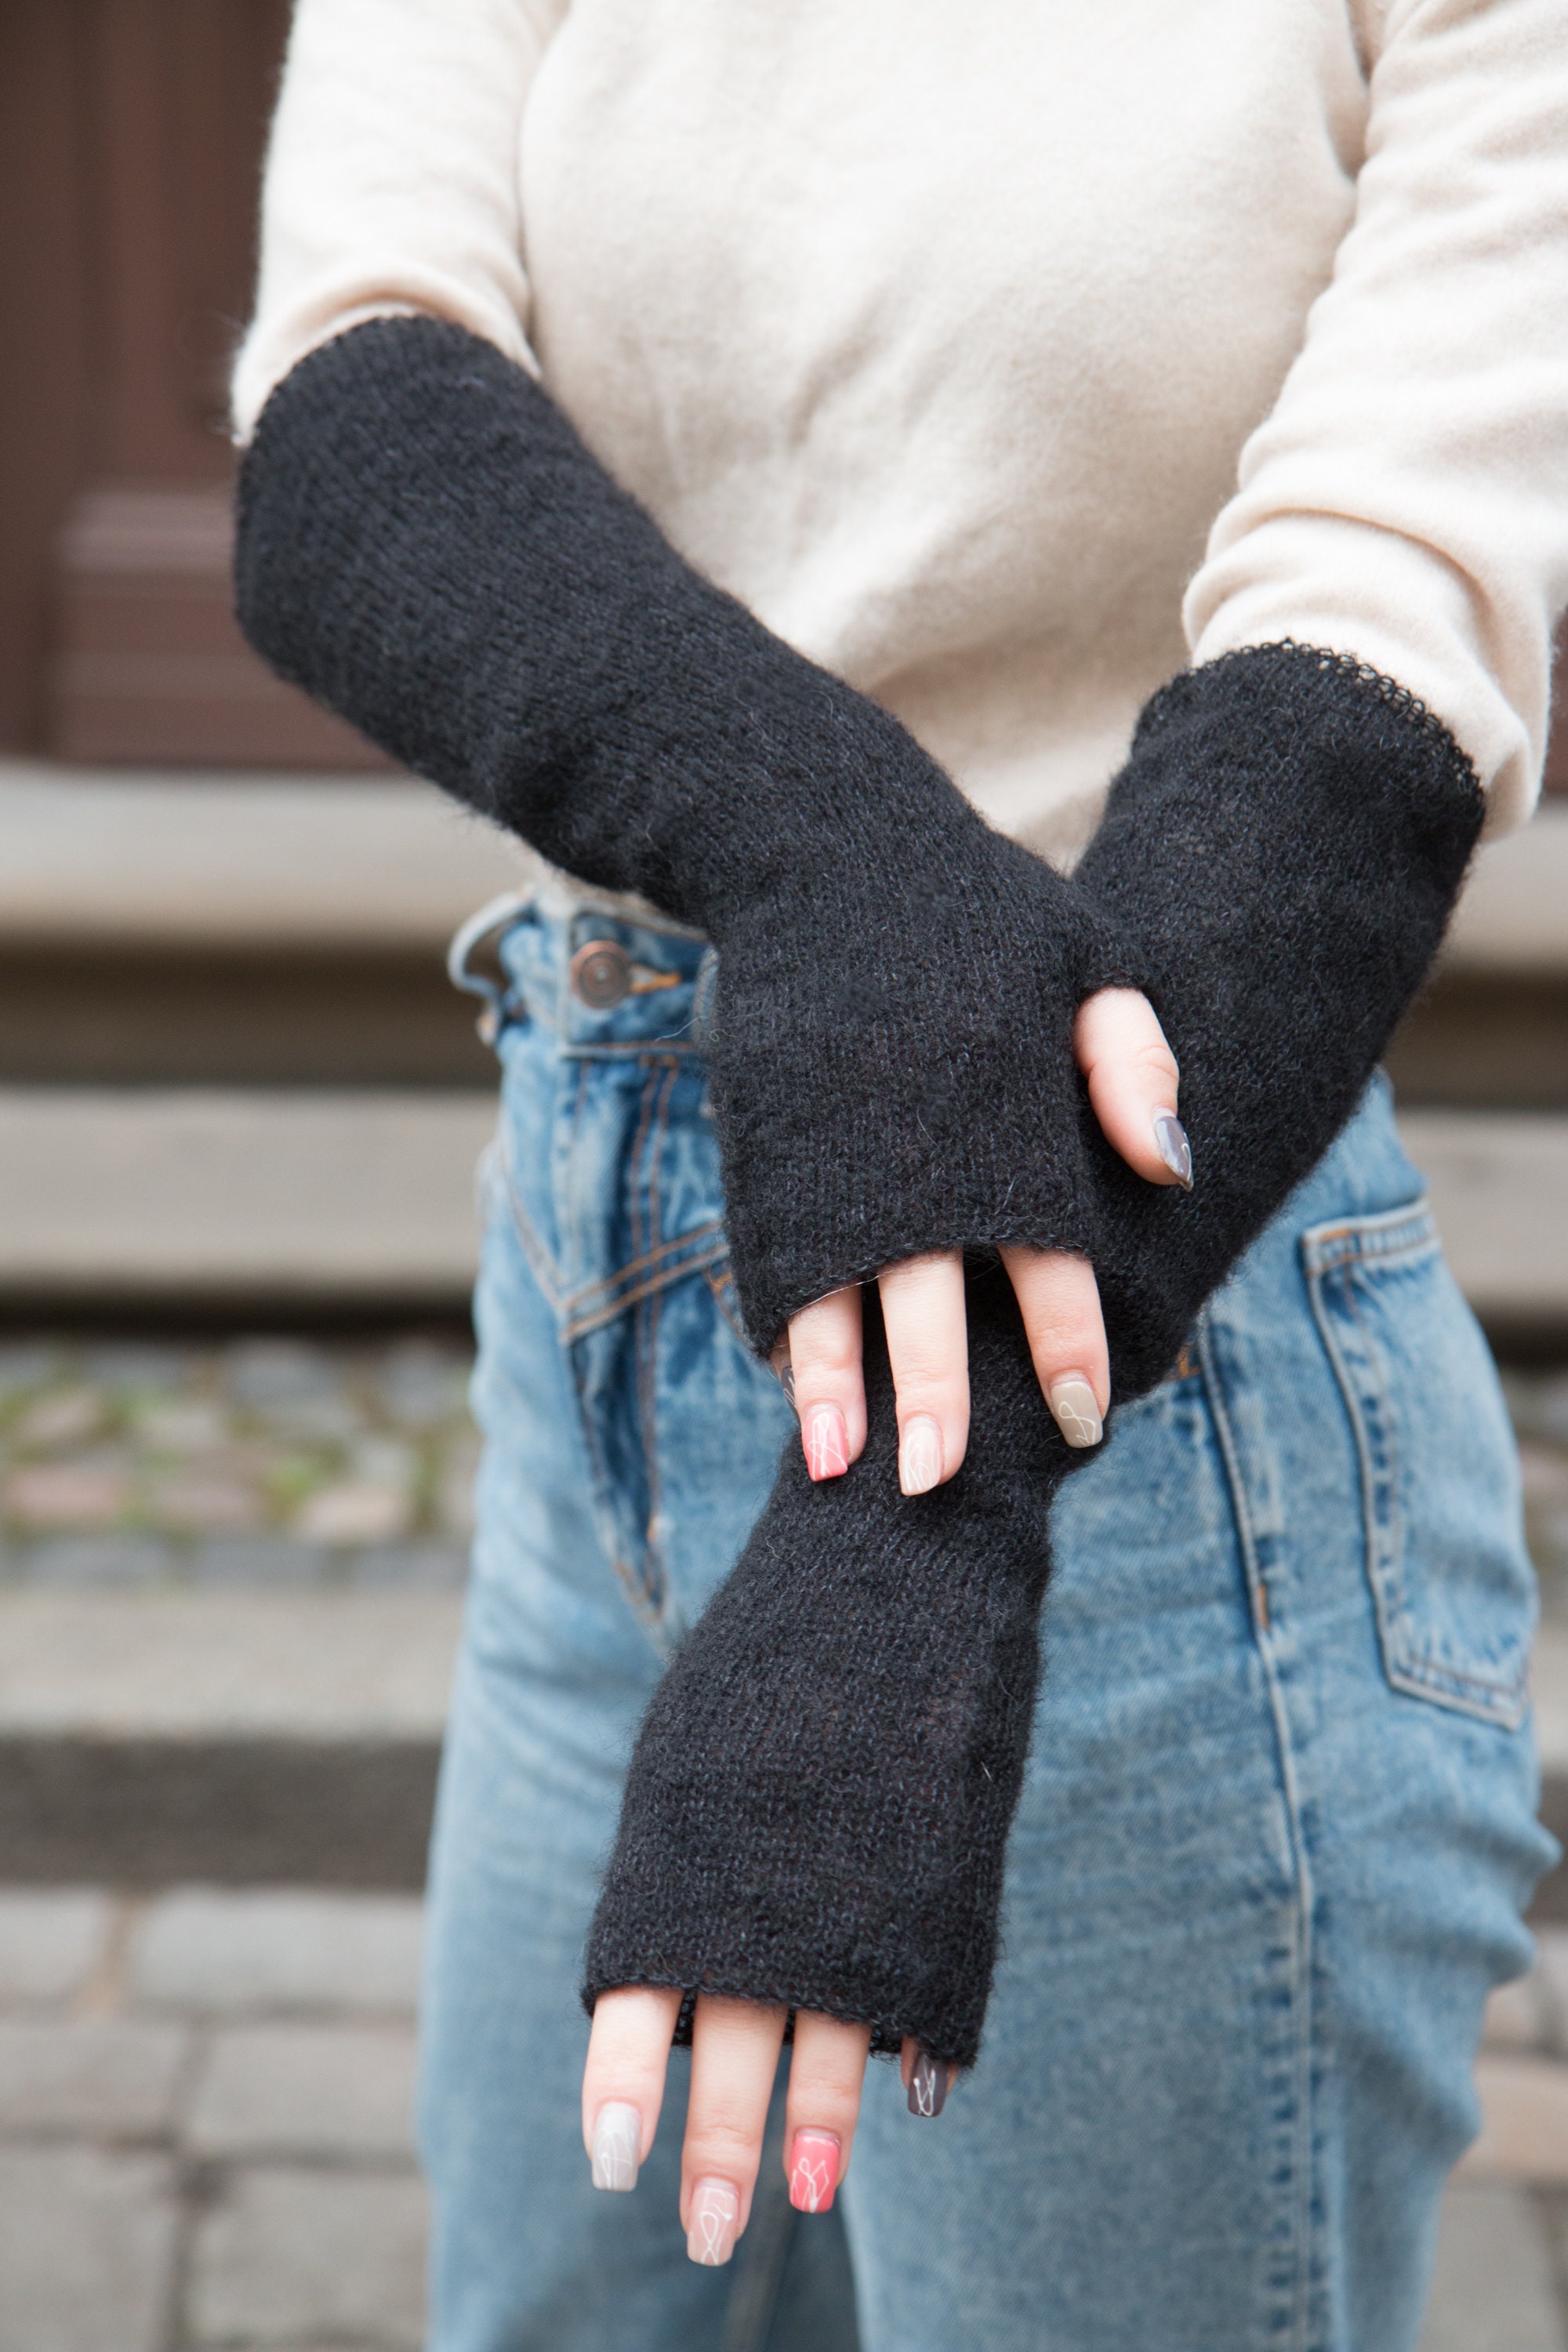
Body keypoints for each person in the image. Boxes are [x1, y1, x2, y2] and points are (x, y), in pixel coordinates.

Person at [230, 3, 1567, 2345]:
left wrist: (913, 1533)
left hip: (1142, 1371)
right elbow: (354, 393)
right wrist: (828, 846)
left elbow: (1393, 611)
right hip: (597, 1284)